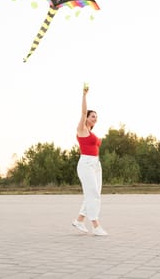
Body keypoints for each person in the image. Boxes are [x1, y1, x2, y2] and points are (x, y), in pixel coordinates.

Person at [72, 84, 108, 236]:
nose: (95, 119)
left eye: (96, 117)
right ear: (86, 118)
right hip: (86, 164)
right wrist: (84, 95)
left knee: (93, 194)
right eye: (93, 116)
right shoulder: (82, 129)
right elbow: (82, 112)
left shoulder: (91, 132)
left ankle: (79, 220)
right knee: (93, 194)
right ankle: (95, 225)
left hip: (95, 164)